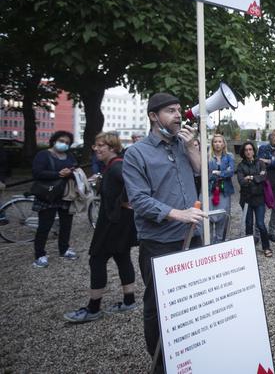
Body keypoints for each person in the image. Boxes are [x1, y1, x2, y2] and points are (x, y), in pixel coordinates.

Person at [123, 93, 206, 366]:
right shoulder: (136, 153)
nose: (178, 115)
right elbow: (139, 200)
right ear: (153, 116)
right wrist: (178, 214)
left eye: (179, 110)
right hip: (159, 241)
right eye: (170, 111)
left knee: (192, 301)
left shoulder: (183, 146)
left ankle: (190, 355)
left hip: (191, 237)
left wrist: (193, 146)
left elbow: (204, 174)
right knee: (159, 307)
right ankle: (161, 363)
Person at [63, 132, 138, 323]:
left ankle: (93, 308)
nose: (95, 148)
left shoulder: (117, 167)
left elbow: (135, 186)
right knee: (122, 256)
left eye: (100, 145)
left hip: (113, 223)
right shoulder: (112, 166)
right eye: (95, 145)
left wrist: (126, 202)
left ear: (112, 148)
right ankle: (129, 300)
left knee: (96, 260)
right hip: (120, 221)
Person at [32, 130, 78, 268]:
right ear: (54, 140)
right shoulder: (43, 155)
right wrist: (58, 174)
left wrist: (71, 172)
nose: (64, 144)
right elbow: (37, 173)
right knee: (44, 226)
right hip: (48, 195)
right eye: (62, 141)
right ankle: (40, 255)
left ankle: (64, 249)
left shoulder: (69, 155)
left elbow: (75, 167)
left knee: (66, 225)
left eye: (67, 143)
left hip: (65, 195)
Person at [236, 141, 272, 257]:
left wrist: (251, 177)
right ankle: (249, 249)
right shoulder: (241, 166)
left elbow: (264, 177)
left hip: (259, 198)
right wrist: (257, 178)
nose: (248, 151)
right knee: (249, 223)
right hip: (246, 199)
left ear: (253, 150)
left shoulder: (260, 163)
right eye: (246, 150)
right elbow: (241, 182)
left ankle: (266, 247)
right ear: (243, 152)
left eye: (250, 149)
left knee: (261, 224)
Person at [207, 134, 234, 243]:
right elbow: (206, 174)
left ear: (223, 144)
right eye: (215, 142)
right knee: (208, 216)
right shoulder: (207, 157)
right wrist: (223, 173)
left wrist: (217, 172)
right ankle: (208, 243)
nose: (217, 144)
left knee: (223, 216)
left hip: (224, 191)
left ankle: (220, 243)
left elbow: (231, 172)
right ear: (212, 144)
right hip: (209, 190)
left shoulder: (229, 156)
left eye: (220, 142)